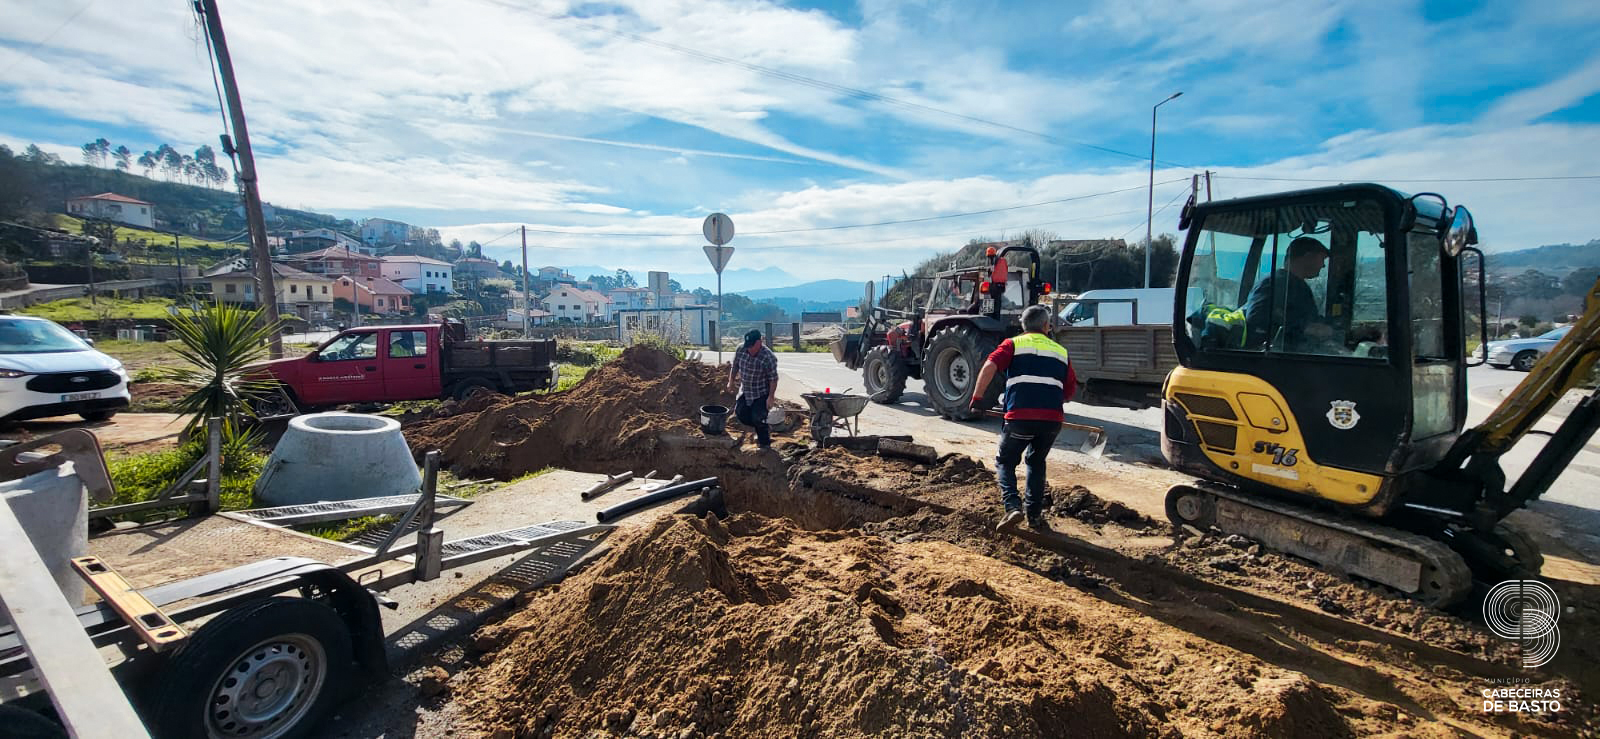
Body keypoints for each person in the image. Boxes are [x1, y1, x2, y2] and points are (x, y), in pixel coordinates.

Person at [970, 305, 1077, 533]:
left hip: (1019, 418)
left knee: (1006, 461)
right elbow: (1068, 391)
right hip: (1051, 422)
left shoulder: (1013, 344)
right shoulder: (1061, 352)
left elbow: (989, 366)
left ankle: (1012, 507)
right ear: (1047, 326)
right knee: (1036, 463)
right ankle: (1035, 517)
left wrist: (978, 398)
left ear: (1022, 325)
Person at [1244, 236, 1331, 350]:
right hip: (1278, 357)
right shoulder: (1273, 283)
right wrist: (1306, 328)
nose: (1323, 265)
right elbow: (1256, 318)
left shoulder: (1300, 286)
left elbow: (1308, 318)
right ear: (1308, 257)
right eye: (1322, 260)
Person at [727, 329, 779, 449]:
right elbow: (735, 366)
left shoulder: (768, 357)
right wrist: (731, 381)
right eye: (747, 346)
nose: (749, 349)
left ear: (759, 343)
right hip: (745, 390)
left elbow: (773, 379)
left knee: (758, 418)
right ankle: (758, 426)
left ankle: (765, 444)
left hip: (761, 392)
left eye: (751, 346)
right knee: (741, 414)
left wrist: (771, 397)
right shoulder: (741, 349)